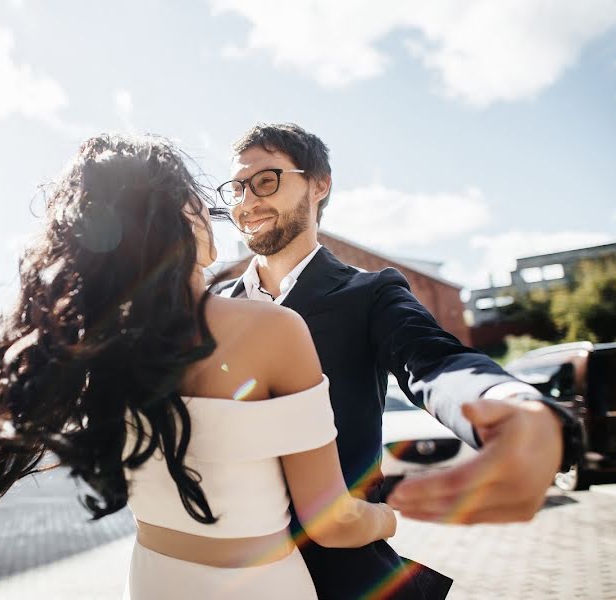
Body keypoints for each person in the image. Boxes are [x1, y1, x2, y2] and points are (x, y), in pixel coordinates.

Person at [0, 133, 398, 599]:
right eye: (200, 201)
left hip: (154, 580)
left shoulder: (99, 349)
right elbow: (332, 523)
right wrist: (387, 520)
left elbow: (40, 423)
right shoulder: (273, 330)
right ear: (176, 219)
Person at [212, 122, 582, 599]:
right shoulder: (211, 305)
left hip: (338, 575)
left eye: (266, 181)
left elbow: (433, 359)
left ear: (320, 184)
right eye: (238, 188)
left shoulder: (369, 293)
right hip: (221, 573)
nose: (248, 202)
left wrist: (511, 403)